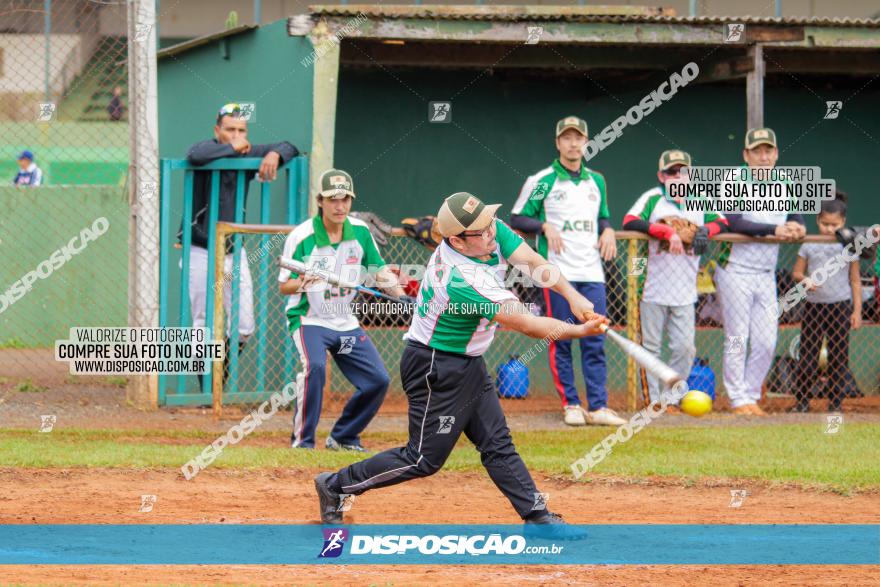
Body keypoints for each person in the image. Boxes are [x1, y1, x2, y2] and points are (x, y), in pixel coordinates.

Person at [315, 192, 607, 525]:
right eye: (481, 232)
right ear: (457, 240)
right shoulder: (463, 279)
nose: (491, 233)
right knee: (423, 458)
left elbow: (533, 263)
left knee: (497, 443)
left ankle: (537, 516)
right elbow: (527, 323)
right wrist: (579, 331)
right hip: (434, 366)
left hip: (468, 360)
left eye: (489, 225)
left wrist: (573, 297)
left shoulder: (485, 231)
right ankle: (336, 485)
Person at [279, 168, 409, 450]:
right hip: (309, 319)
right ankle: (303, 442)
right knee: (314, 368)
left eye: (345, 199)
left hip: (345, 322)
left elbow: (378, 270)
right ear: (320, 201)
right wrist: (304, 280)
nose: (339, 206)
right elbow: (284, 286)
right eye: (333, 199)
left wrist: (400, 295)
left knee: (377, 379)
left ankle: (343, 436)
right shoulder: (302, 237)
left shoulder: (360, 233)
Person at [510, 116, 623, 427]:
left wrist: (609, 230)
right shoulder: (543, 180)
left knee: (595, 337)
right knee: (561, 336)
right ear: (558, 142)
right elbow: (518, 217)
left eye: (579, 137)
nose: (574, 143)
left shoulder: (596, 181)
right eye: (567, 138)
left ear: (586, 142)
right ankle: (571, 404)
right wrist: (544, 225)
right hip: (556, 273)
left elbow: (602, 217)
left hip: (592, 271)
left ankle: (599, 407)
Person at [181, 103, 298, 385]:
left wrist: (273, 153)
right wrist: (234, 148)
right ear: (217, 130)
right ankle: (208, 390)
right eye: (230, 129)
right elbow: (195, 155)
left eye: (241, 130)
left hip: (233, 252)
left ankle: (219, 376)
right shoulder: (208, 149)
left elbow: (290, 146)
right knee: (202, 323)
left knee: (244, 325)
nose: (236, 134)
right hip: (200, 249)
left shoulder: (248, 150)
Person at [622, 150, 728, 407]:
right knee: (651, 349)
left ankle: (672, 398)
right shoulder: (653, 198)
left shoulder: (700, 201)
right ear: (661, 175)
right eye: (671, 171)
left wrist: (706, 230)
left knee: (685, 348)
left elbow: (723, 222)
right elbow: (629, 221)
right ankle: (654, 402)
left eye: (683, 171)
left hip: (685, 290)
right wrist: (666, 231)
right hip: (651, 288)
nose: (677, 176)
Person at [714, 128, 805, 416]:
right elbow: (734, 223)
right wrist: (774, 230)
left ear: (776, 154)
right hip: (735, 270)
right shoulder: (733, 180)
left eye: (768, 151)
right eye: (757, 151)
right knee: (737, 337)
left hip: (765, 272)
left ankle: (752, 394)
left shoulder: (785, 182)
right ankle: (737, 398)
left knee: (767, 340)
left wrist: (798, 227)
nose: (763, 157)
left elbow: (795, 217)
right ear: (746, 155)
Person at [790, 195, 861, 412]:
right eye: (825, 224)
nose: (829, 229)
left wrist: (857, 310)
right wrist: (805, 280)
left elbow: (855, 280)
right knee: (808, 357)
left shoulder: (849, 246)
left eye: (835, 225)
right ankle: (802, 401)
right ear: (817, 220)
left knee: (839, 356)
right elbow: (796, 273)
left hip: (840, 306)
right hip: (814, 306)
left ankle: (836, 403)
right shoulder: (809, 244)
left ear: (843, 222)